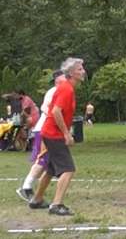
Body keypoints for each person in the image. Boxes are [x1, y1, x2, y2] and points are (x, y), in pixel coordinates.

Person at [29, 57, 86, 216]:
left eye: (82, 68)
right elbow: (55, 112)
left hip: (49, 132)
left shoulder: (67, 88)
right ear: (71, 73)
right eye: (80, 69)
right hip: (54, 134)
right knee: (68, 169)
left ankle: (37, 199)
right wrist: (67, 134)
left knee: (51, 170)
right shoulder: (66, 89)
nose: (83, 71)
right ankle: (56, 204)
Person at [16, 71, 65, 202]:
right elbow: (49, 109)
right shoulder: (54, 91)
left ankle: (40, 191)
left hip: (49, 130)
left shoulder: (60, 91)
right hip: (45, 130)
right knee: (43, 160)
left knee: (49, 163)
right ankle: (26, 188)